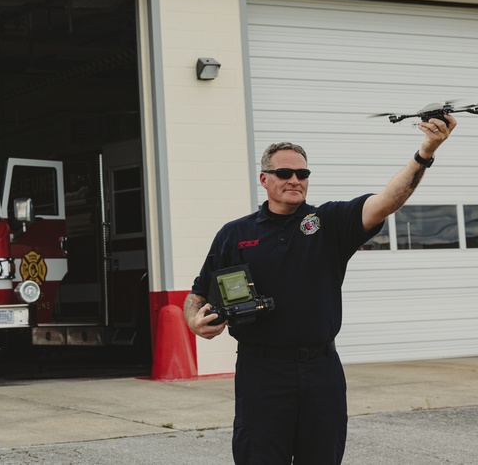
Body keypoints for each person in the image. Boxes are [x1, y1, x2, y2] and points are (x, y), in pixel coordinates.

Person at [185, 114, 457, 464]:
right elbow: (199, 293)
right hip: (261, 372)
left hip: (321, 370)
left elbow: (388, 200)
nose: (295, 180)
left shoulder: (328, 223)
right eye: (285, 173)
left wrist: (426, 151)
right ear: (264, 179)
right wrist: (195, 321)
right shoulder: (234, 234)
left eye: (303, 174)